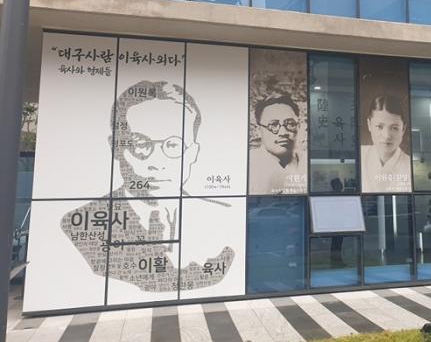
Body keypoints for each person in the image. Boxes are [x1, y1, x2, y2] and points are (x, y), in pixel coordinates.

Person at [62, 80, 234, 293]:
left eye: (173, 145)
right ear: (115, 147)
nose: (157, 163)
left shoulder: (224, 218)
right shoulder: (79, 223)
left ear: (193, 153)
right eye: (141, 144)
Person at [249, 91, 307, 194]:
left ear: (298, 126)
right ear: (258, 130)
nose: (283, 133)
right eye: (274, 125)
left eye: (290, 124)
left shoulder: (306, 161)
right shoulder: (249, 164)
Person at [361, 95, 411, 193]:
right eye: (379, 126)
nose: (387, 136)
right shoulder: (360, 154)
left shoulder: (409, 165)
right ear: (369, 125)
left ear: (403, 129)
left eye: (394, 128)